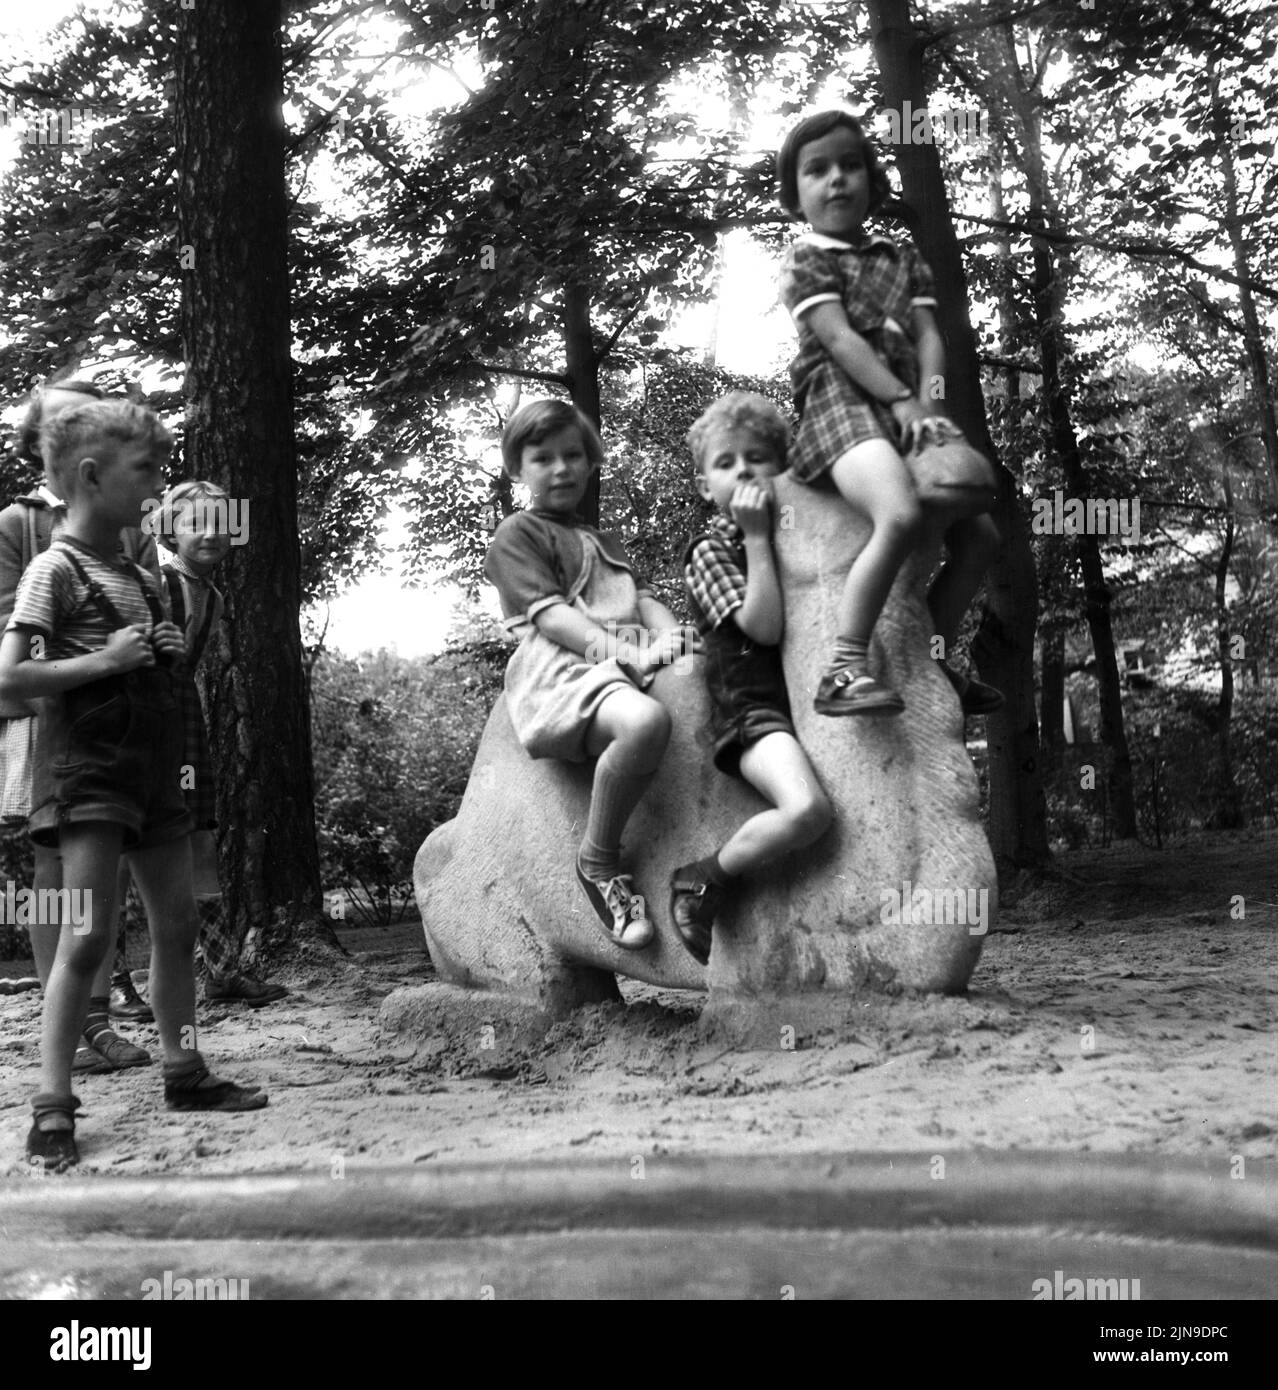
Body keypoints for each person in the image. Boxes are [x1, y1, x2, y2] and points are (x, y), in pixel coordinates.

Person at [0, 399, 266, 1173]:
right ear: (90, 477)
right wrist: (108, 662)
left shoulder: (135, 571)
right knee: (86, 932)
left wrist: (160, 646)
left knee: (177, 924)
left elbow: (152, 659)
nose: (159, 486)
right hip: (89, 773)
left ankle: (184, 1072)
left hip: (155, 771)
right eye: (147, 470)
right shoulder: (56, 568)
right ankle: (53, 1105)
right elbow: (10, 674)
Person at [776, 109, 1002, 717]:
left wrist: (927, 400)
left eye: (852, 165)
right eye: (817, 170)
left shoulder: (903, 259)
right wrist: (901, 400)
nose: (837, 180)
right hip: (842, 403)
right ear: (795, 195)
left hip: (907, 405)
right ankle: (844, 667)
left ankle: (932, 657)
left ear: (874, 183)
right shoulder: (806, 260)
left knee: (981, 536)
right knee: (897, 512)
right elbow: (843, 341)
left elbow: (931, 338)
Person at [484, 399, 698, 948]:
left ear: (591, 461)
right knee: (644, 723)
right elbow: (554, 618)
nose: (561, 469)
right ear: (518, 468)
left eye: (573, 455)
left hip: (621, 655)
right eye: (543, 458)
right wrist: (629, 654)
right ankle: (599, 860)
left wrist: (673, 636)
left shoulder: (604, 540)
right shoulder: (518, 533)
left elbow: (643, 599)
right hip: (567, 665)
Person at [0, 376, 154, 1075]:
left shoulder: (129, 523)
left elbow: (147, 606)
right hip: (44, 711)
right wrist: (67, 690)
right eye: (63, 421)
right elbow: (14, 623)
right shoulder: (20, 525)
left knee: (104, 856)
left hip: (117, 714)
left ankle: (99, 1004)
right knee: (52, 857)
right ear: (43, 442)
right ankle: (71, 1015)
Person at [670, 392, 833, 965]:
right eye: (725, 462)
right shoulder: (712, 551)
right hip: (753, 715)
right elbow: (763, 628)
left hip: (805, 707)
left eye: (758, 457)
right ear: (704, 486)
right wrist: (758, 538)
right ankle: (700, 880)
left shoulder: (802, 538)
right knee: (807, 812)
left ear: (783, 470)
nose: (742, 469)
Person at [155, 479, 286, 1006]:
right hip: (141, 720)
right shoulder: (156, 581)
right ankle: (116, 985)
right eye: (194, 523)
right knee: (132, 849)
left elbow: (194, 668)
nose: (208, 533)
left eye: (219, 523)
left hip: (184, 718)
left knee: (201, 843)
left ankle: (221, 969)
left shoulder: (213, 597)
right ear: (169, 529)